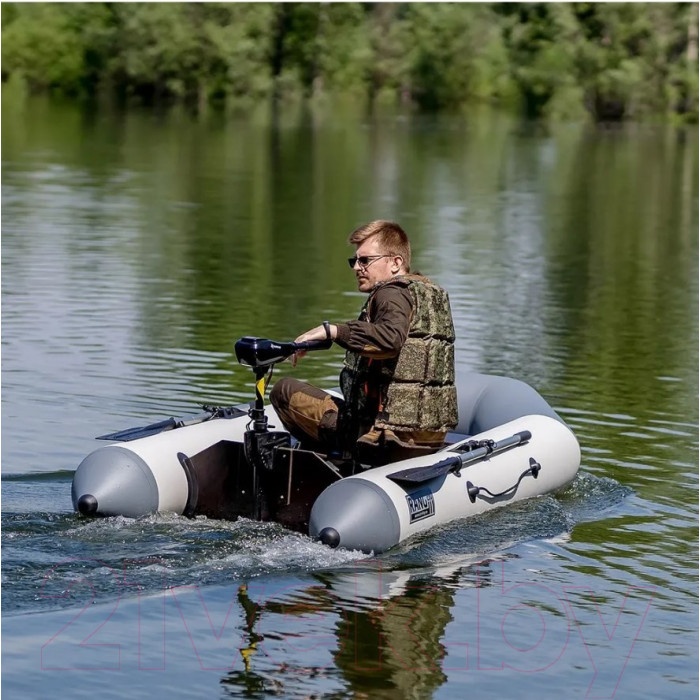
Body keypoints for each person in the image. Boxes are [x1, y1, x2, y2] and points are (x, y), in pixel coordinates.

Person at [269, 220, 458, 466]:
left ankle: (335, 464)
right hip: (427, 436)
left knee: (284, 390)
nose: (357, 267)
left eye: (365, 260)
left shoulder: (390, 293)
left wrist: (333, 332)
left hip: (384, 439)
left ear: (395, 263)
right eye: (355, 261)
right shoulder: (426, 292)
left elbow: (390, 339)